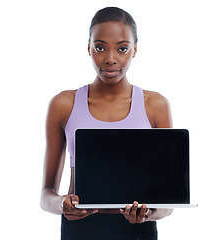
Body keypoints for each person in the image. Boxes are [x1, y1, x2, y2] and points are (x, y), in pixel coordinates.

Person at [40, 7, 173, 240]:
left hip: (138, 230)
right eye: (100, 47)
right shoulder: (63, 104)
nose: (110, 58)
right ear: (88, 47)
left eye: (122, 48)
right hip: (79, 230)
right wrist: (62, 203)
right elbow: (45, 196)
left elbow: (169, 202)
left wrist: (149, 212)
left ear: (134, 50)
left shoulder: (155, 105)